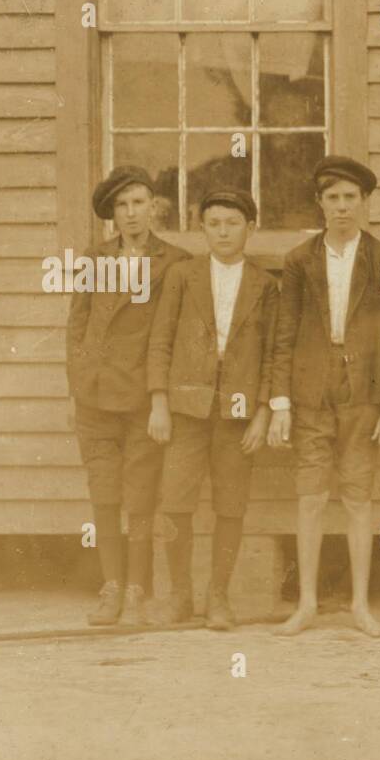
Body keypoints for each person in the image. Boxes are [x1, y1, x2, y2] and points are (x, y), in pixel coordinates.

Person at [269, 157, 380, 638]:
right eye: (333, 198)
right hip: (310, 393)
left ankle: (360, 606)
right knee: (310, 496)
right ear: (320, 203)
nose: (343, 207)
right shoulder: (298, 261)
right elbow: (283, 335)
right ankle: (307, 603)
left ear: (364, 202)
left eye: (351, 198)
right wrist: (280, 403)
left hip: (363, 395)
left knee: (357, 497)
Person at [146, 188, 278, 630]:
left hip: (238, 414)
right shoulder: (183, 276)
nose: (224, 232)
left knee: (231, 505)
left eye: (233, 223)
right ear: (202, 229)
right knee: (175, 501)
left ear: (250, 229)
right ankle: (180, 596)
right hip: (186, 409)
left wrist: (263, 412)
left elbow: (274, 353)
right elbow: (160, 340)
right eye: (214, 223)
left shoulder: (265, 284)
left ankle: (218, 596)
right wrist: (159, 402)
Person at [68, 165, 190, 626]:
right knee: (104, 494)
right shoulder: (93, 259)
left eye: (139, 202)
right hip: (95, 398)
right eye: (122, 205)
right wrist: (77, 384)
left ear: (154, 207)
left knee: (140, 496)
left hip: (143, 398)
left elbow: (170, 334)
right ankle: (112, 588)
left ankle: (138, 589)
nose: (132, 213)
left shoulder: (174, 262)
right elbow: (77, 326)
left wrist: (160, 398)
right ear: (112, 215)